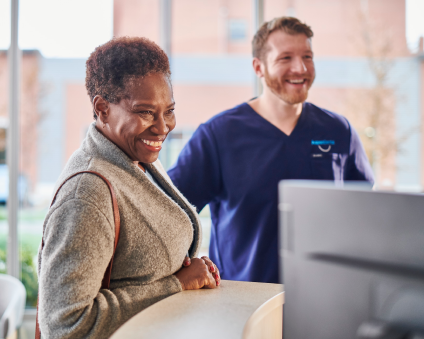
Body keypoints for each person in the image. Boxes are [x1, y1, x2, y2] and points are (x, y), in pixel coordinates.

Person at [37, 37, 220, 339]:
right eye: (146, 112)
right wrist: (176, 284)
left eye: (169, 111)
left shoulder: (137, 157)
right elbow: (65, 324)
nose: (162, 127)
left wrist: (184, 264)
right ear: (102, 108)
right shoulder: (87, 193)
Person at [168, 17, 374, 284]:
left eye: (307, 56)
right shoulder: (219, 135)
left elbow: (363, 215)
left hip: (326, 298)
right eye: (285, 58)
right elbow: (168, 212)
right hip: (243, 302)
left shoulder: (338, 131)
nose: (300, 68)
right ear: (259, 68)